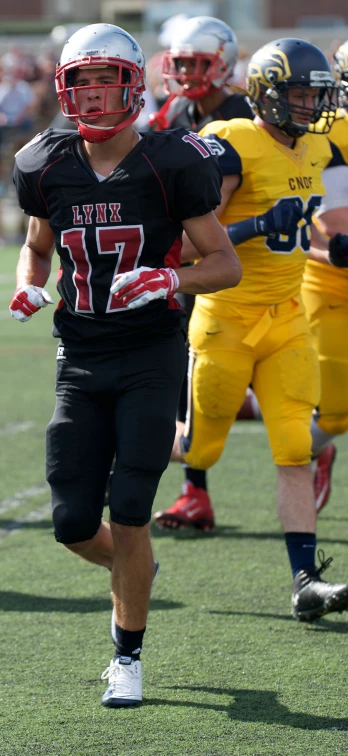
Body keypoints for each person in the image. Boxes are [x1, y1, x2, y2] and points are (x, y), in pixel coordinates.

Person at [10, 23, 241, 707]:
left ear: (133, 84)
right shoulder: (43, 162)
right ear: (63, 88)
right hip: (80, 356)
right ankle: (136, 569)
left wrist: (171, 281)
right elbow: (36, 246)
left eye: (103, 80)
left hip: (149, 354)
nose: (91, 95)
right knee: (73, 523)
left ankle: (127, 657)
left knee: (134, 504)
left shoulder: (174, 162)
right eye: (78, 82)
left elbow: (223, 262)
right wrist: (28, 280)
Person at [154, 38, 348, 622]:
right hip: (227, 321)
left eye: (316, 94)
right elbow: (184, 246)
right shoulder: (232, 146)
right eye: (298, 94)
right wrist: (257, 224)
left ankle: (305, 581)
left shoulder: (317, 146)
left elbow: (318, 224)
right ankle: (117, 445)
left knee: (293, 448)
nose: (310, 105)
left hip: (287, 317)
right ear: (265, 96)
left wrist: (332, 246)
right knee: (198, 447)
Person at [149, 17, 254, 518]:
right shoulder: (175, 112)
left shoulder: (244, 116)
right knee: (186, 375)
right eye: (182, 62)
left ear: (224, 63)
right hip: (195, 256)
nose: (188, 72)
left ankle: (317, 441)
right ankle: (196, 490)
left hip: (248, 259)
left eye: (198, 63)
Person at [302, 40, 348, 512]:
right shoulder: (328, 133)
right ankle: (310, 453)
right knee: (335, 412)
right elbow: (339, 230)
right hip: (331, 282)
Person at [149, 16, 253, 132]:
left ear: (222, 66)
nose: (184, 71)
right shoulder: (175, 110)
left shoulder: (246, 113)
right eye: (180, 63)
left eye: (193, 63)